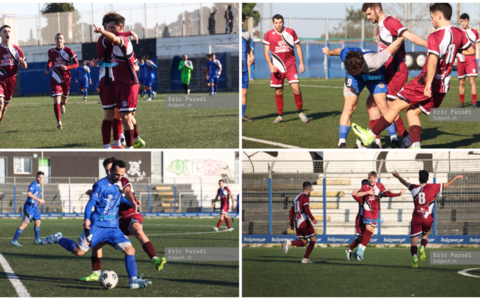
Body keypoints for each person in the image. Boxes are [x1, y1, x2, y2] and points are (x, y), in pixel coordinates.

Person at [352, 3, 475, 149]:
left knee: (394, 107)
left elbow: (433, 61)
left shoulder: (435, 36)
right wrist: (451, 51)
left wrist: (428, 83)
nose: (431, 21)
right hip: (443, 87)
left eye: (432, 17)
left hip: (425, 83)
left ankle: (369, 136)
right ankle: (414, 147)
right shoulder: (459, 33)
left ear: (439, 16)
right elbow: (470, 51)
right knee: (412, 113)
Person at [57, 159, 152, 289]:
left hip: (113, 228)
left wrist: (132, 202)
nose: (119, 177)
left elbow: (120, 199)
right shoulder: (100, 185)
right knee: (79, 252)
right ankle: (58, 238)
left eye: (122, 175)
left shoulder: (117, 186)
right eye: (117, 174)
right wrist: (86, 218)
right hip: (97, 226)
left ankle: (133, 281)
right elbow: (90, 203)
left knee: (130, 249)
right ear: (111, 170)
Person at [76, 157, 166, 282]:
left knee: (137, 231)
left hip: (129, 214)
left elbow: (127, 192)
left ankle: (153, 259)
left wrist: (132, 201)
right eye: (107, 170)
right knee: (95, 246)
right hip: (115, 220)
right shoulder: (105, 183)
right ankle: (96, 273)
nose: (109, 173)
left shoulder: (122, 180)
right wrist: (93, 192)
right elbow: (104, 195)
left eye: (110, 170)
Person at [362, 3, 428, 148]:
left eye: (369, 13)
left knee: (390, 106)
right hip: (386, 71)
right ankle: (377, 142)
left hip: (396, 71)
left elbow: (409, 36)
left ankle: (405, 139)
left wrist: (430, 45)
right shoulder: (384, 23)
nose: (368, 17)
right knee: (371, 103)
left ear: (377, 9)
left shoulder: (389, 22)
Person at [322, 36, 406, 148]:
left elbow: (394, 46)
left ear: (362, 65)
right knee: (349, 106)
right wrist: (328, 52)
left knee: (382, 104)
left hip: (375, 75)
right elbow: (337, 51)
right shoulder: (346, 55)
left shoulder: (375, 60)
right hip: (355, 79)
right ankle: (341, 142)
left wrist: (402, 35)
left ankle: (393, 139)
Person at [391, 170, 464, 268]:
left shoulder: (414, 187)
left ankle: (415, 257)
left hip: (416, 217)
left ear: (418, 179)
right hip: (427, 217)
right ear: (428, 179)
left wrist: (398, 176)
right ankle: (422, 247)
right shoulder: (433, 187)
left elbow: (404, 182)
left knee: (413, 242)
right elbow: (447, 184)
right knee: (425, 235)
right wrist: (456, 177)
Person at [94, 13, 145, 149]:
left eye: (112, 27)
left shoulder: (121, 40)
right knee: (113, 114)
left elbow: (133, 60)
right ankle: (112, 144)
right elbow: (105, 61)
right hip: (108, 80)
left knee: (123, 114)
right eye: (107, 27)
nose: (108, 29)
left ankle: (122, 141)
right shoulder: (103, 39)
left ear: (119, 27)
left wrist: (134, 66)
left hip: (121, 81)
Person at [263, 14, 308, 124]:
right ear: (273, 23)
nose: (278, 25)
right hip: (277, 67)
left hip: (290, 66)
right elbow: (266, 52)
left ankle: (300, 112)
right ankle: (280, 116)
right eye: (276, 22)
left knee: (296, 89)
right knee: (279, 91)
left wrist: (302, 63)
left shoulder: (291, 32)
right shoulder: (269, 34)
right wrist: (270, 65)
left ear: (283, 22)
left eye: (280, 22)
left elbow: (298, 47)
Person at [354, 172, 405, 261]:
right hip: (367, 210)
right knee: (367, 229)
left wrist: (398, 194)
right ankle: (359, 250)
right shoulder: (365, 186)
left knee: (371, 232)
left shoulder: (380, 185)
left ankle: (361, 250)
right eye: (370, 178)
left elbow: (386, 194)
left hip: (376, 211)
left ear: (376, 178)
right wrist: (367, 192)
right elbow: (357, 194)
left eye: (373, 178)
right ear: (369, 178)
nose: (372, 179)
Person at [45, 33, 79, 130]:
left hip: (66, 79)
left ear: (63, 40)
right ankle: (58, 121)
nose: (59, 40)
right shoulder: (51, 51)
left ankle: (63, 105)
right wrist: (48, 68)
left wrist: (67, 67)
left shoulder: (69, 51)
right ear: (55, 40)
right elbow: (50, 61)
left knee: (64, 101)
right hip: (55, 78)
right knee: (56, 99)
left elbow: (77, 64)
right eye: (57, 38)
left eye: (61, 38)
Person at [283, 182, 317, 263]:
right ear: (309, 189)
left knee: (304, 242)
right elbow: (306, 209)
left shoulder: (296, 197)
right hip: (304, 221)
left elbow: (291, 211)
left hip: (297, 222)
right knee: (313, 239)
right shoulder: (305, 196)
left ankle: (290, 243)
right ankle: (305, 259)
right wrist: (312, 219)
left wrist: (291, 224)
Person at [0, 25, 27, 123]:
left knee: (5, 106)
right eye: (5, 31)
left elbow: (24, 67)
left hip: (11, 80)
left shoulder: (16, 49)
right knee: (0, 103)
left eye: (9, 31)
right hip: (0, 79)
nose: (7, 33)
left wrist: (22, 62)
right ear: (0, 34)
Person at [11, 171, 45, 246]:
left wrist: (37, 201)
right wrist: (39, 199)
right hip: (29, 207)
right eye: (39, 177)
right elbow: (29, 194)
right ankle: (14, 240)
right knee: (24, 224)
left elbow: (34, 197)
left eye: (42, 177)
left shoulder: (39, 186)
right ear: (36, 177)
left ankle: (37, 239)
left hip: (34, 207)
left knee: (38, 222)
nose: (40, 179)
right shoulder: (34, 184)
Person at [457, 13, 480, 108]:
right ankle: (461, 103)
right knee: (461, 82)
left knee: (472, 81)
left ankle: (474, 103)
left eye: (465, 21)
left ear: (468, 21)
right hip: (460, 59)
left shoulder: (474, 32)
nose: (463, 23)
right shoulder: (457, 32)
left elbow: (479, 45)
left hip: (471, 59)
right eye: (462, 21)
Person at [347, 179, 368, 260]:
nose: (365, 186)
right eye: (364, 184)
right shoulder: (360, 193)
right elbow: (358, 197)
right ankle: (350, 251)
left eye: (367, 184)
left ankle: (357, 252)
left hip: (368, 217)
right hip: (361, 217)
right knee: (360, 237)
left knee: (365, 236)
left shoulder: (369, 192)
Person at [242, 13, 255, 122]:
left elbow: (248, 47)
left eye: (243, 21)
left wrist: (252, 55)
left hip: (244, 68)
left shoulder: (247, 34)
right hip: (236, 68)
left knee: (245, 92)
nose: (241, 23)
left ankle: (242, 115)